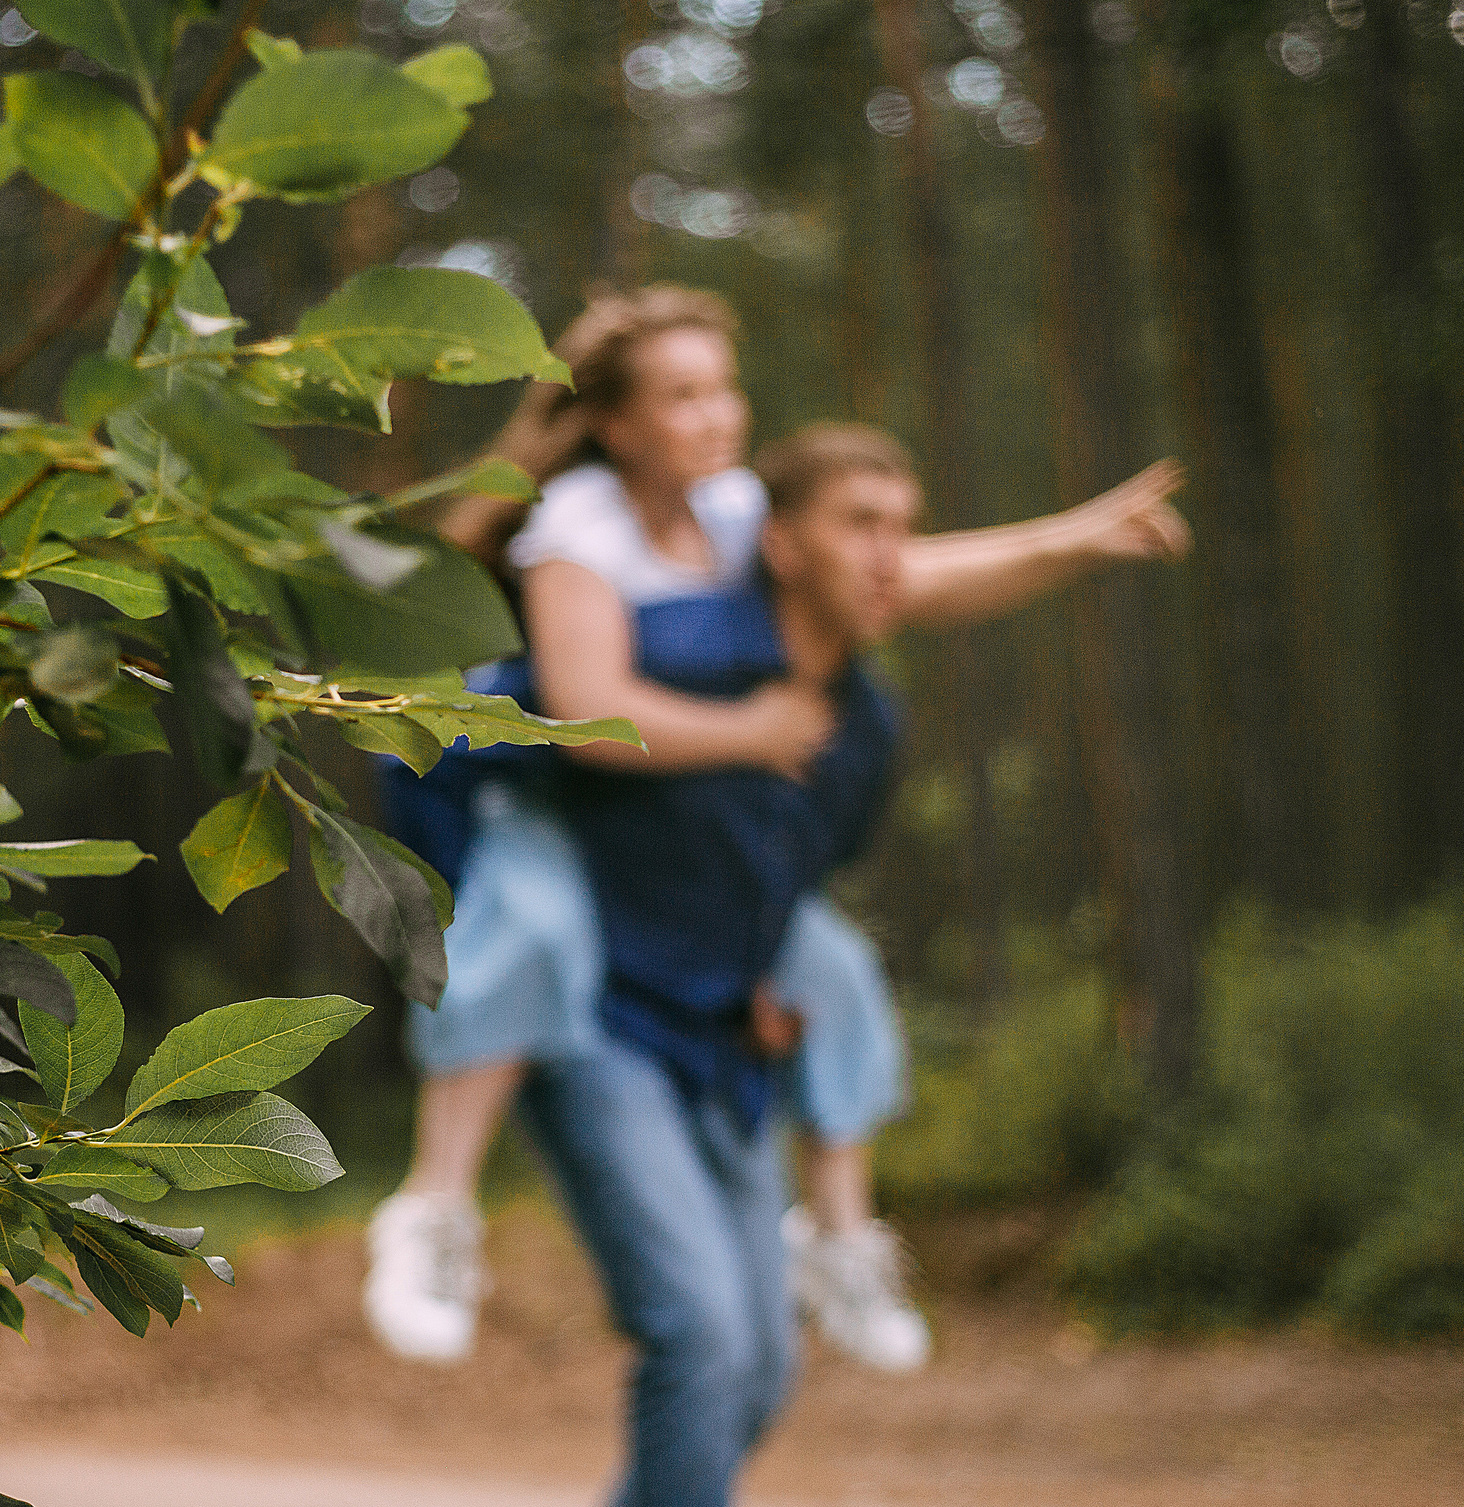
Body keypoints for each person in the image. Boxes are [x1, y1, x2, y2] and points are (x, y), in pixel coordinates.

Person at [363, 286, 1189, 1374]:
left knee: (834, 968)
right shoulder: (580, 525)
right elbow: (585, 713)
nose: (716, 417)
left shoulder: (737, 511)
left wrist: (1072, 539)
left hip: (666, 838)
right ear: (615, 425)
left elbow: (900, 576)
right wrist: (751, 729)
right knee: (534, 928)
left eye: (724, 390)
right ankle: (432, 1209)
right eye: (683, 396)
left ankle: (839, 1242)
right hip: (538, 795)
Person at [517, 419, 1183, 1507]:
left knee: (756, 1360)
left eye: (904, 525)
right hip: (594, 1027)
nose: (892, 556)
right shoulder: (674, 650)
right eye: (860, 525)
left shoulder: (866, 726)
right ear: (780, 542)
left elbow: (785, 878)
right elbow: (544, 741)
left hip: (719, 1042)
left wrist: (768, 977)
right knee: (697, 1336)